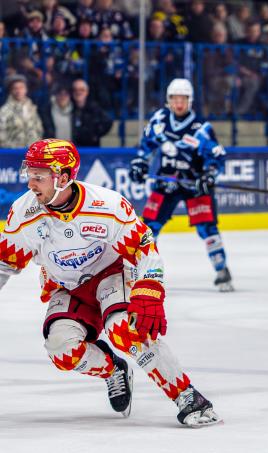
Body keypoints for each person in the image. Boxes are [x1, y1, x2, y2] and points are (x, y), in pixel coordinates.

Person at [0, 139, 220, 427]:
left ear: (63, 178)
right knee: (61, 350)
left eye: (39, 176)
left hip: (111, 275)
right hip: (66, 286)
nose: (31, 184)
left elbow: (143, 247)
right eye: (29, 174)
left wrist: (150, 290)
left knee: (124, 329)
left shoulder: (107, 205)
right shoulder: (23, 213)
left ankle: (188, 397)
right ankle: (114, 370)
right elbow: (5, 262)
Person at [128, 78, 234, 292]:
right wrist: (140, 163)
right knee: (149, 228)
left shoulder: (201, 128)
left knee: (207, 229)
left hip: (194, 185)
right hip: (166, 182)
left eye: (183, 99)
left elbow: (216, 156)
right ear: (168, 100)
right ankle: (146, 272)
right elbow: (146, 146)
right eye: (174, 99)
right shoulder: (159, 120)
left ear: (190, 101)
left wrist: (209, 175)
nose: (178, 103)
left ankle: (222, 269)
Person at [0, 74, 43, 148]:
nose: (18, 91)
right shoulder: (4, 111)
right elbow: (1, 135)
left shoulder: (31, 108)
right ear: (10, 91)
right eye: (15, 88)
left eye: (21, 87)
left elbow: (39, 129)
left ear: (26, 89)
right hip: (13, 152)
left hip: (32, 151)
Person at [70, 78, 113, 147]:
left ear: (87, 92)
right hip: (74, 148)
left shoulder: (94, 108)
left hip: (91, 148)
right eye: (75, 90)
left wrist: (94, 135)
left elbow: (108, 121)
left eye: (82, 90)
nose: (78, 92)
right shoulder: (69, 108)